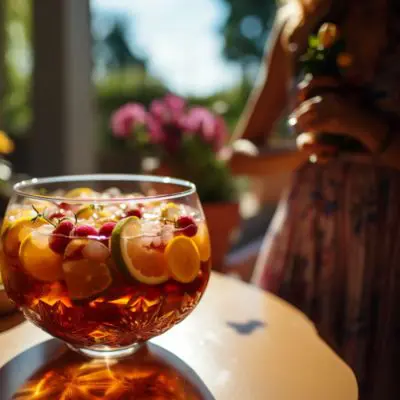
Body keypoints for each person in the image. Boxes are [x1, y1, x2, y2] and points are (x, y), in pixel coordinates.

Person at [227, 0, 400, 398]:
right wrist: (306, 146)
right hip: (305, 243)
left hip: (387, 247)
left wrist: (362, 126)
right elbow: (239, 155)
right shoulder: (300, 23)